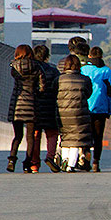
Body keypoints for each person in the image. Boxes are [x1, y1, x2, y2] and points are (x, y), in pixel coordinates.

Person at [7, 44, 42, 173]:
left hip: (17, 104)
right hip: (31, 104)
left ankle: (12, 159)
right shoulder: (37, 66)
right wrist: (35, 92)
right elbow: (42, 86)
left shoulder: (14, 67)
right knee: (30, 137)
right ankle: (27, 163)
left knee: (17, 136)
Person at [56, 53, 94, 171]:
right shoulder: (84, 79)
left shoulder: (59, 79)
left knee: (65, 137)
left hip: (62, 112)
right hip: (79, 112)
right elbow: (88, 94)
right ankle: (70, 165)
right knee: (76, 139)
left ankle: (64, 159)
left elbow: (53, 92)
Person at [81, 46, 111, 173]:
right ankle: (96, 162)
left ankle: (85, 159)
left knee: (85, 136)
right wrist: (110, 109)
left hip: (85, 108)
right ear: (101, 56)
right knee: (98, 137)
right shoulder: (106, 71)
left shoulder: (83, 69)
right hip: (101, 109)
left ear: (89, 56)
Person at [31, 44, 62, 173]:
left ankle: (34, 164)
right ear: (47, 57)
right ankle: (50, 157)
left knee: (35, 135)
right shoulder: (54, 71)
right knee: (52, 133)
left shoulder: (31, 70)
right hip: (50, 106)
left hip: (35, 107)